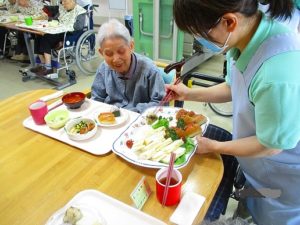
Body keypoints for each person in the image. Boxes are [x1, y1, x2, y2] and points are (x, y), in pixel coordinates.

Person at [168, 0, 300, 225]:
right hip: (256, 170)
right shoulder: (245, 38)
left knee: (269, 215)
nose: (201, 40)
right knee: (250, 202)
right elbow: (233, 86)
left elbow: (270, 146)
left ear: (229, 21)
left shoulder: (276, 73)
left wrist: (214, 147)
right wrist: (187, 94)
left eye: (200, 34)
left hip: (281, 178)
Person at [91, 19, 166, 113]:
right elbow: (96, 99)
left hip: (140, 120)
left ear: (131, 46)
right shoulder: (103, 69)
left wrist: (130, 112)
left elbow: (161, 102)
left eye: (121, 51)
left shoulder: (149, 70)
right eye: (109, 54)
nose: (116, 59)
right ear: (101, 53)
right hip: (110, 120)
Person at [31, 0, 86, 76]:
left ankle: (48, 68)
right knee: (39, 35)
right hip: (58, 31)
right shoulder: (63, 9)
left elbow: (79, 27)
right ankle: (43, 64)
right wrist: (48, 18)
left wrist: (63, 26)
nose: (63, 3)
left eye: (65, 1)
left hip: (68, 35)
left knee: (46, 37)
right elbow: (56, 19)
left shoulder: (80, 11)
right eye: (62, 1)